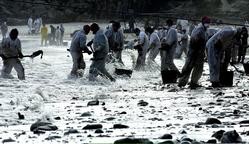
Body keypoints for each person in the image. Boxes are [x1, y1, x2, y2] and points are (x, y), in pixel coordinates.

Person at [178, 16, 211, 89]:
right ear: (203, 22)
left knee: (198, 68)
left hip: (200, 53)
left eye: (208, 23)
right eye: (206, 23)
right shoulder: (199, 30)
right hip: (194, 52)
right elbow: (194, 40)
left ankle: (194, 82)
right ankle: (182, 82)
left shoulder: (204, 30)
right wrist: (196, 51)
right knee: (188, 67)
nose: (208, 24)